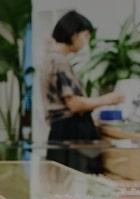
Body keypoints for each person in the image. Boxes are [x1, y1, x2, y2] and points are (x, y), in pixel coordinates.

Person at [42, 11, 123, 174]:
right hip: (70, 130)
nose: (85, 42)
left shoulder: (51, 59)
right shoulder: (59, 61)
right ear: (73, 34)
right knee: (74, 182)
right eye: (85, 36)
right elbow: (74, 104)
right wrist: (107, 99)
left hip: (61, 130)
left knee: (62, 183)